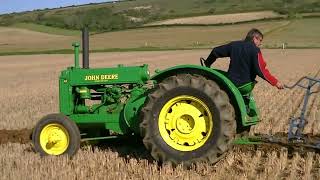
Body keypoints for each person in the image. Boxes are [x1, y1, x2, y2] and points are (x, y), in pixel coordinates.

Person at [204, 28, 284, 90]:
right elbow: (261, 70)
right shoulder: (255, 50)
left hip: (231, 83)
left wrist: (207, 64)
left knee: (215, 75)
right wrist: (276, 82)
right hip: (245, 86)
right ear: (254, 38)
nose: (260, 43)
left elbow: (215, 51)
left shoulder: (234, 45)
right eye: (260, 41)